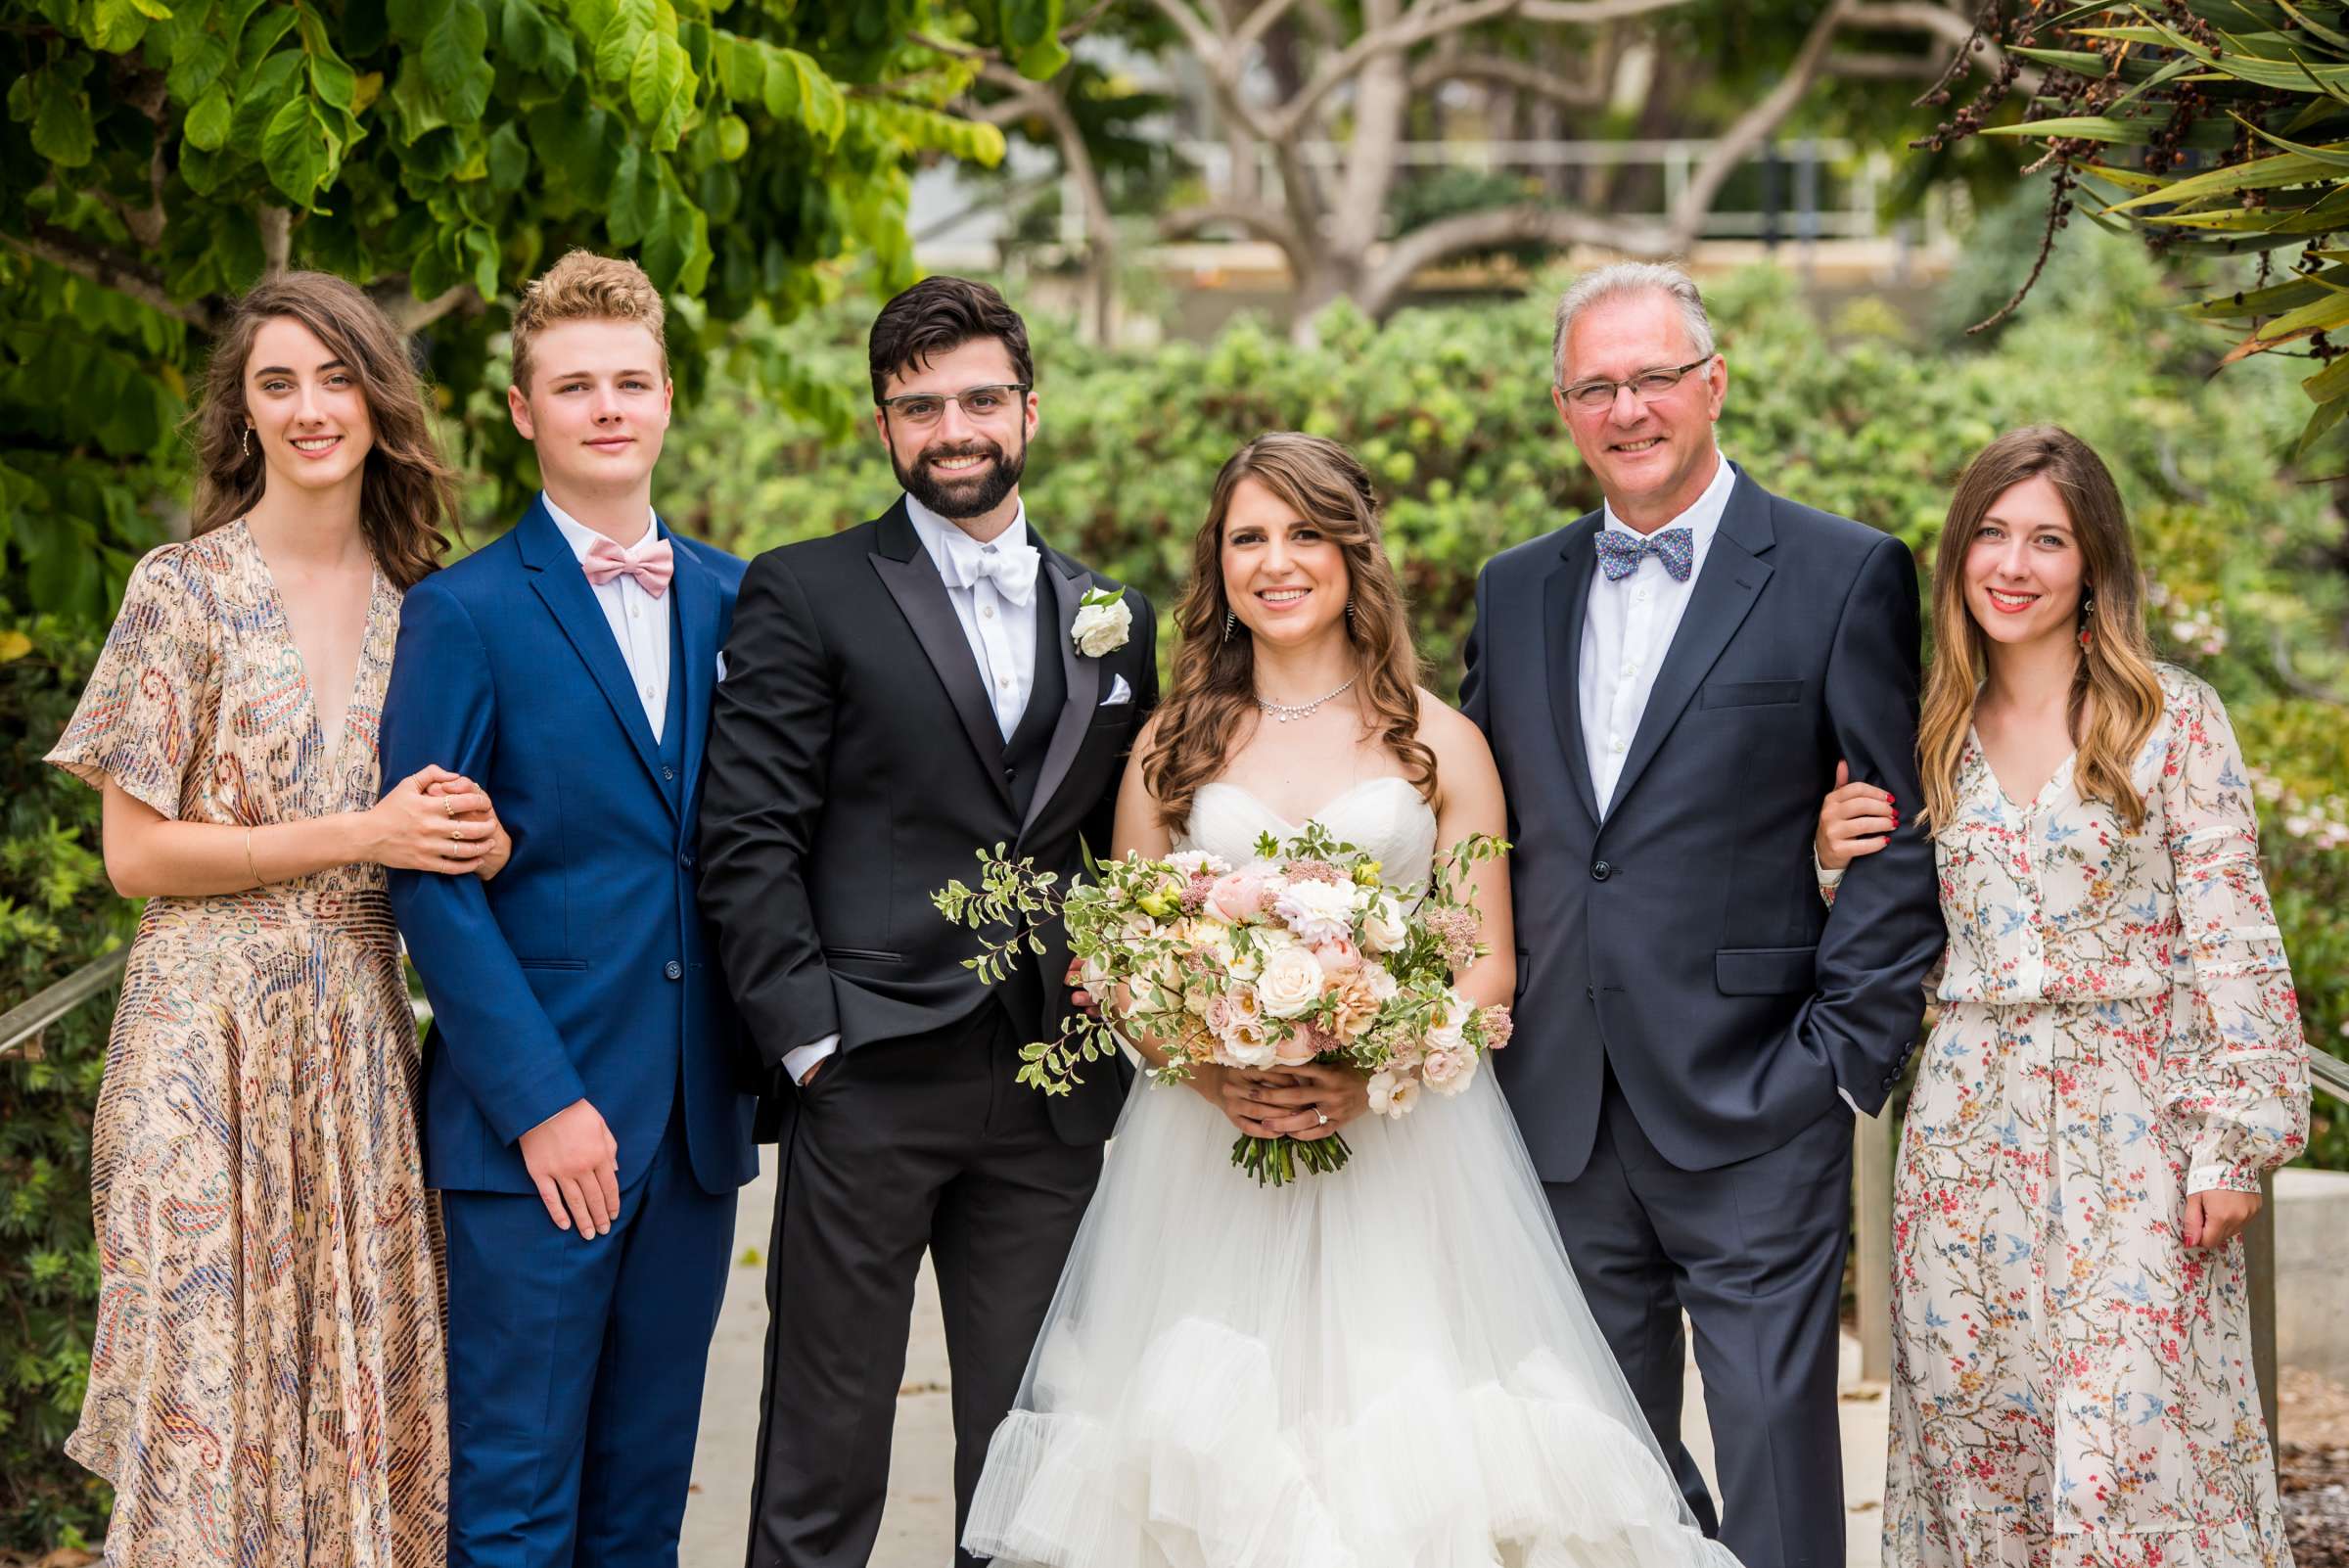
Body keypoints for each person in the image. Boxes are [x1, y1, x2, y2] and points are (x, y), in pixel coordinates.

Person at [959, 431, 1740, 1567]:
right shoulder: (1167, 749)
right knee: (1195, 1464)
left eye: (1306, 533)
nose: (1277, 561)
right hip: (1205, 1163)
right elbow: (1123, 958)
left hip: (1410, 1168)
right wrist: (1214, 1066)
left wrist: (1368, 1077)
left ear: (1354, 553)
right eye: (1249, 537)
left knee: (1417, 1465)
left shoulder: (1442, 744)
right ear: (1217, 564)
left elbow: (1486, 969)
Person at [1458, 262, 1947, 1568]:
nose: (1628, 407)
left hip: (1757, 1104)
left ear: (1713, 383)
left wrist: (1842, 1059)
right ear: (1566, 409)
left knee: (1779, 1465)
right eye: (1596, 385)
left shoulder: (1840, 574)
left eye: (1654, 376)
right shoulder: (1513, 590)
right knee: (1595, 1476)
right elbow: (1482, 829)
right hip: (1557, 1108)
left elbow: (1900, 839)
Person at [698, 276, 1158, 1568]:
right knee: (823, 1448)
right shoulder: (806, 590)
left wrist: (1123, 992)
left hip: (1050, 1087)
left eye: (977, 398)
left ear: (1029, 407)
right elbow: (748, 837)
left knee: (1032, 1458)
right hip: (869, 1069)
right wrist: (809, 1045)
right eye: (919, 406)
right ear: (886, 425)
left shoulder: (1109, 615)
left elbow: (1126, 845)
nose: (952, 428)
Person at [46, 271, 492, 1566]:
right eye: (277, 382)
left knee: (362, 1389)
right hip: (198, 1050)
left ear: (379, 397)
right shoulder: (178, 589)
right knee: (208, 1385)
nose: (310, 407)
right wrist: (360, 833)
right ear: (242, 414)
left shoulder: (435, 607)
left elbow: (467, 821)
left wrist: (486, 832)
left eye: (337, 376)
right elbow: (135, 854)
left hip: (358, 1046)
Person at [1816, 425, 2309, 1567]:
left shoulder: (2170, 719)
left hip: (2135, 1124)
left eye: (2049, 539)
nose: (2014, 564)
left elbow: (2233, 938)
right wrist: (1832, 861)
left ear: (2094, 563)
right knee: (1977, 1431)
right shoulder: (1920, 733)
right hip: (1966, 1133)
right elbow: (1896, 947)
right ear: (1957, 555)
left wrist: (2234, 1142)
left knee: (2139, 1441)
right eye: (1990, 533)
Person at [379, 251, 760, 1568]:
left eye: (632, 381)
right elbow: (427, 876)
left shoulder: (736, 598)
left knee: (643, 1501)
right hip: (534, 1130)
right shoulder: (463, 612)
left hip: (698, 1125)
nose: (609, 405)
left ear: (666, 401)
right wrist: (541, 1102)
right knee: (519, 1501)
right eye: (576, 383)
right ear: (523, 410)